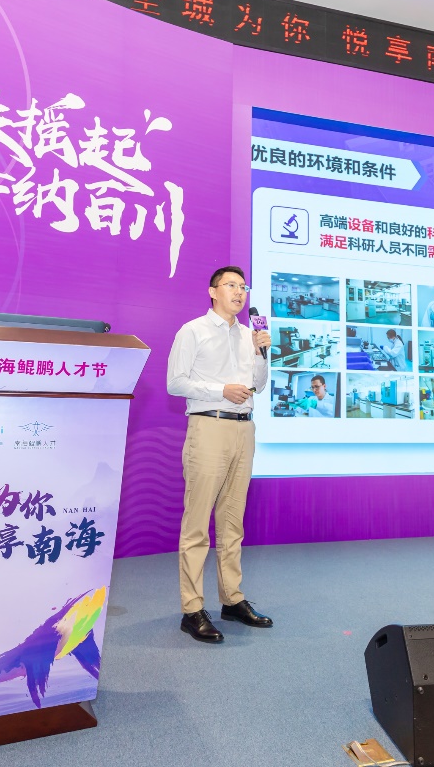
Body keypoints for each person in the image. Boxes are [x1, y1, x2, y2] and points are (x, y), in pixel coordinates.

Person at [166, 265, 273, 644]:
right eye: (231, 285)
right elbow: (175, 382)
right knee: (197, 524)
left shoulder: (249, 335)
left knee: (232, 522)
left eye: (243, 286)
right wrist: (220, 390)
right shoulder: (192, 330)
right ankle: (192, 608)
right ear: (213, 291)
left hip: (244, 429)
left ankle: (232, 599)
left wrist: (261, 354)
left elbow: (259, 385)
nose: (239, 292)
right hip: (209, 425)